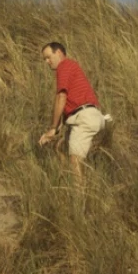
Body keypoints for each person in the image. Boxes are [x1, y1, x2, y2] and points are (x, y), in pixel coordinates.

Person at [38, 42, 105, 176]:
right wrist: (55, 131)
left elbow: (61, 97)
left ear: (58, 53)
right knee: (61, 148)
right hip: (86, 115)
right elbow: (67, 106)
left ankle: (78, 195)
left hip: (84, 117)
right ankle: (65, 182)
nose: (47, 61)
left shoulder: (64, 66)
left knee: (76, 161)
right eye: (44, 59)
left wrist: (52, 128)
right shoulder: (70, 67)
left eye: (48, 57)